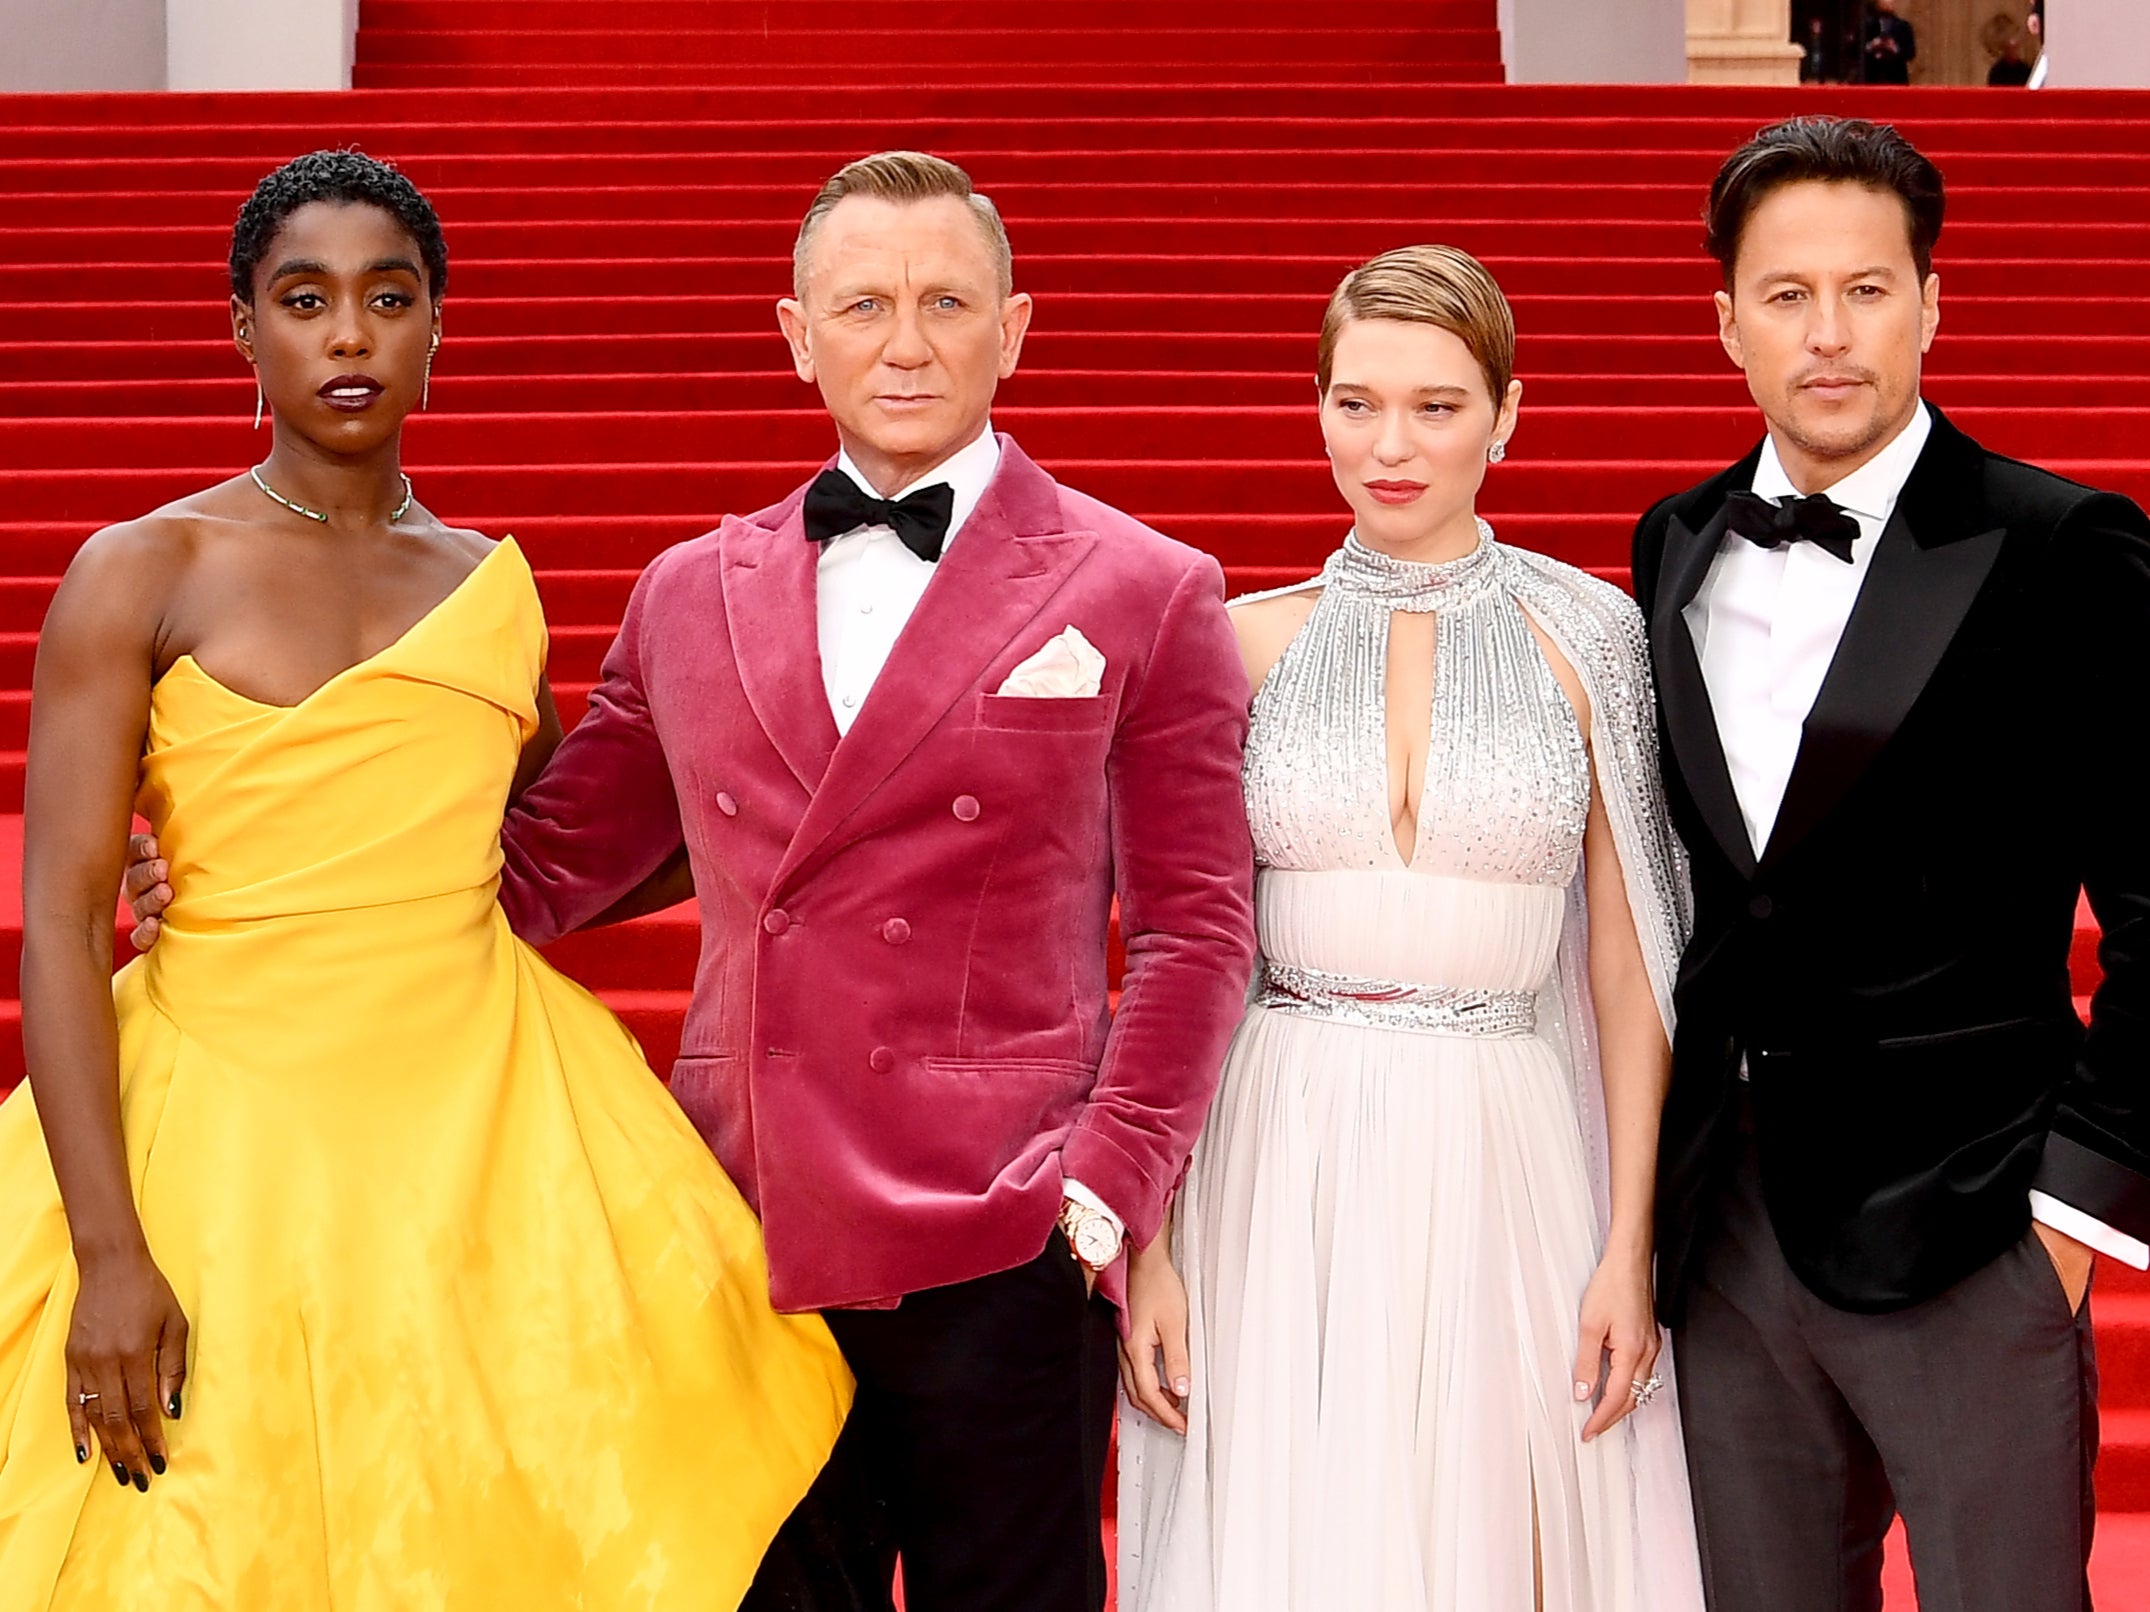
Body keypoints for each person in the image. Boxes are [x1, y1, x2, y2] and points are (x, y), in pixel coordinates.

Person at [135, 150, 1258, 1612]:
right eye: (861, 305)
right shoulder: (687, 590)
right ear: (796, 335)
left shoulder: (1141, 584)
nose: (903, 343)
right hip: (737, 1234)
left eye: (943, 303)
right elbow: (535, 866)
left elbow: (1195, 929)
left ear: (1015, 327)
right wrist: (238, 873)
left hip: (1003, 1240)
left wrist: (1097, 1203)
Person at [0, 150, 851, 1610]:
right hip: (218, 1133)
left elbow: (566, 849)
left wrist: (812, 830)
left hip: (490, 1129)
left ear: (436, 325)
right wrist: (109, 1252)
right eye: (305, 300)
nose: (347, 336)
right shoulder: (141, 569)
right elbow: (69, 922)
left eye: (388, 299)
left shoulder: (486, 587)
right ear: (244, 328)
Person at [1116, 246, 1705, 1612]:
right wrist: (1147, 1241)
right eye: (1354, 403)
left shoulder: (1592, 637)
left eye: (1437, 406)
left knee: (1501, 1536)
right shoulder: (1228, 640)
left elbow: (1629, 967)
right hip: (1271, 1150)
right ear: (1314, 408)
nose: (1390, 446)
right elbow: (1169, 951)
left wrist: (1629, 1247)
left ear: (1506, 412)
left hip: (1507, 1143)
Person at [1635, 116, 2150, 1611]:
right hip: (1725, 1233)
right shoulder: (1671, 543)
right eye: (1786, 294)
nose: (1828, 332)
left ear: (1929, 302)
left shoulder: (2059, 546)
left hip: (1974, 1216)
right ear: (1726, 321)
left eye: (1867, 288)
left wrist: (2070, 1213)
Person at [1860, 0, 1916, 85]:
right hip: (1872, 80)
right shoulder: (1867, 26)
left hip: (1896, 80)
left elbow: (1911, 53)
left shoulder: (1904, 26)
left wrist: (1895, 48)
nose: (1889, 2)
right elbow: (1853, 51)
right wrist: (1871, 46)